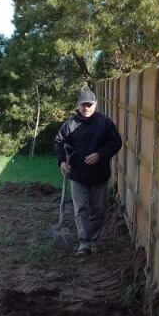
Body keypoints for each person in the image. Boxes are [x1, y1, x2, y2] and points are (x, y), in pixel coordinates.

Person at [54, 87, 122, 254]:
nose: (86, 108)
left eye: (90, 105)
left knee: (98, 210)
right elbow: (59, 142)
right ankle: (84, 243)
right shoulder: (70, 124)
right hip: (78, 175)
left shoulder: (105, 123)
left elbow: (116, 142)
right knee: (81, 209)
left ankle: (93, 240)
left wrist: (100, 155)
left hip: (100, 175)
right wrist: (62, 161)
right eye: (83, 105)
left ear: (96, 105)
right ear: (78, 105)